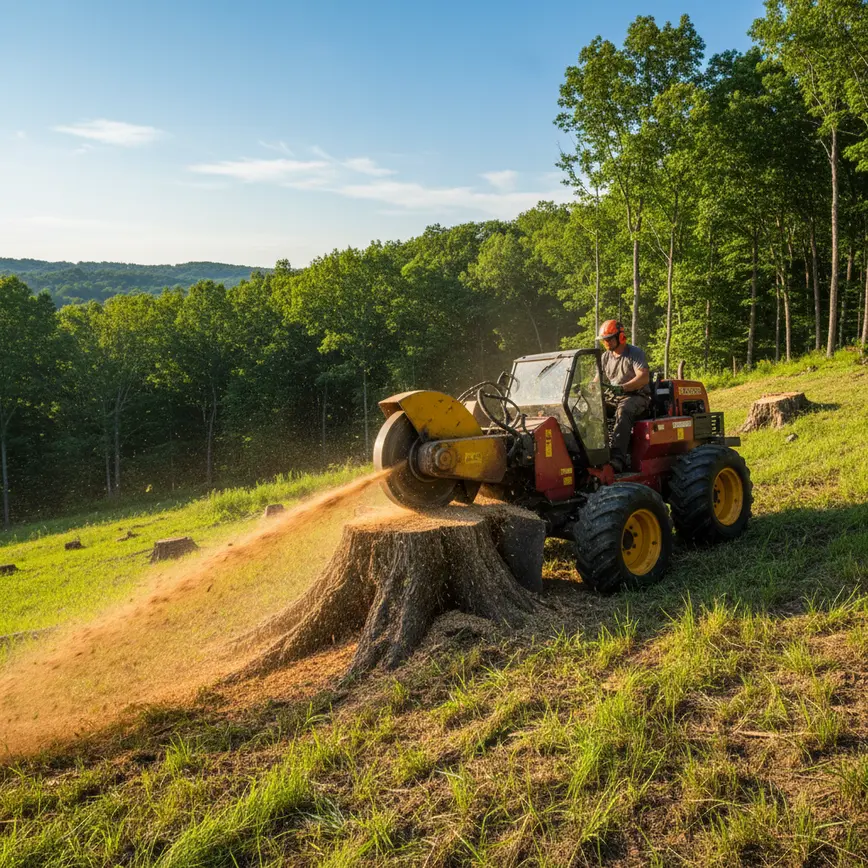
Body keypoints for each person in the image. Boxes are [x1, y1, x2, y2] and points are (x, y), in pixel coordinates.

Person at [598, 319, 650, 472]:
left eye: (609, 339)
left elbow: (644, 377)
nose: (606, 343)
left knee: (624, 410)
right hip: (614, 397)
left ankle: (617, 459)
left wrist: (623, 388)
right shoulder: (605, 357)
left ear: (620, 337)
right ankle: (597, 454)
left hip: (637, 397)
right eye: (604, 340)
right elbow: (597, 380)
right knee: (592, 409)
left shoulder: (634, 353)